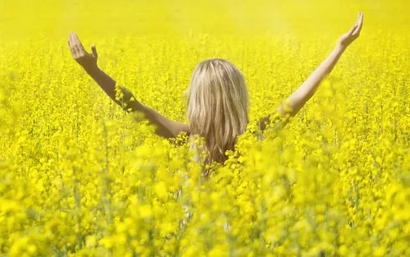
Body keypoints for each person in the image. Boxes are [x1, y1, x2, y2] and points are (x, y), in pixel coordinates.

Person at [68, 13, 364, 170]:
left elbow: (133, 106)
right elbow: (298, 98)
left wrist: (92, 71)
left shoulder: (185, 139)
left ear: (199, 100)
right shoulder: (254, 138)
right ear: (238, 97)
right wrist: (338, 49)